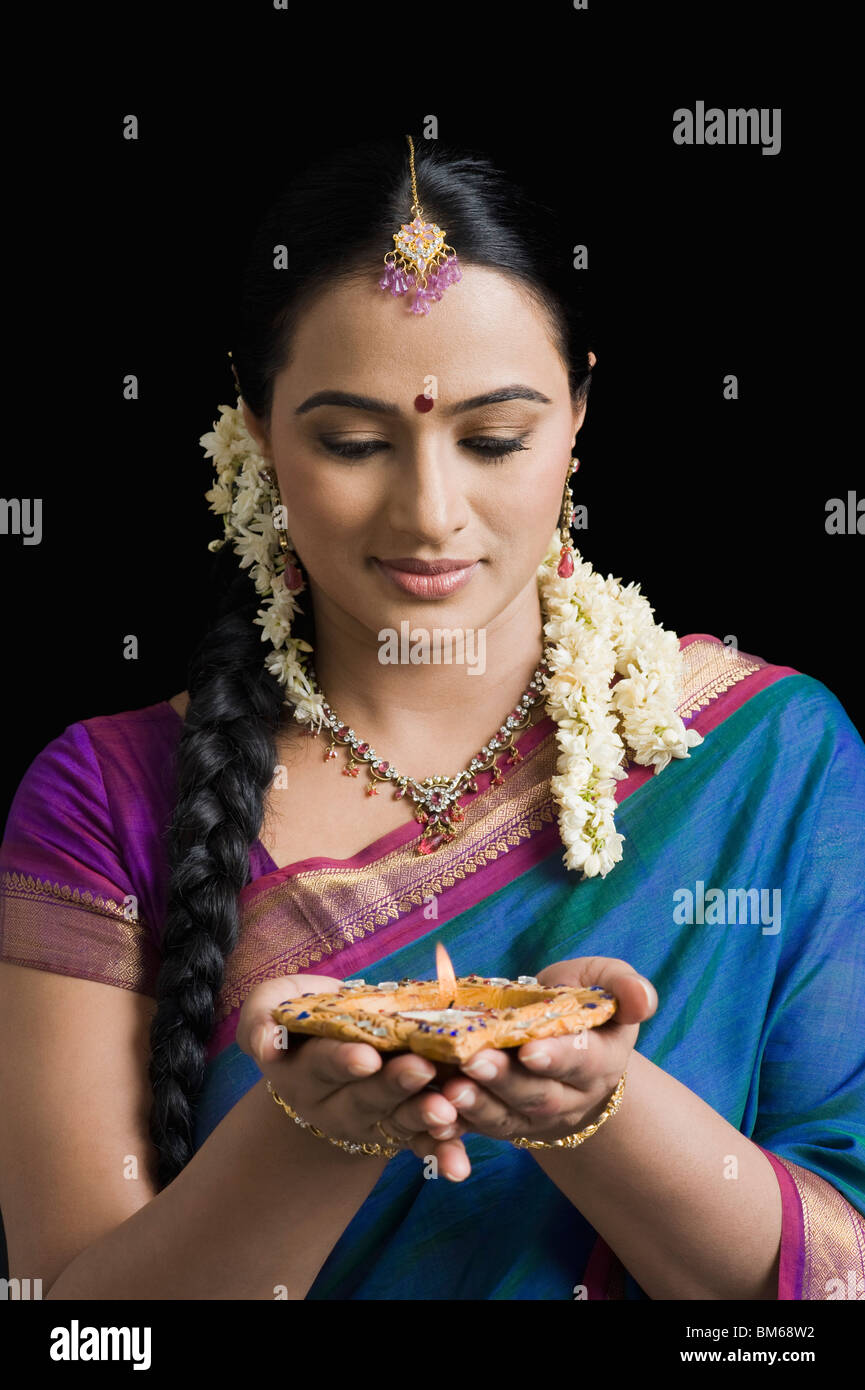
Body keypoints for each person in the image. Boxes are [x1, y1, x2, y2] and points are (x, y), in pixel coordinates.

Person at [0, 135, 863, 1302]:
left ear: (578, 412)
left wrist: (599, 1106)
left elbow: (840, 1280)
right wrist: (313, 1128)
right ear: (255, 425)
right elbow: (78, 1331)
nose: (429, 510)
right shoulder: (105, 797)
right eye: (352, 442)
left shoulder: (770, 756)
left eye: (494, 438)